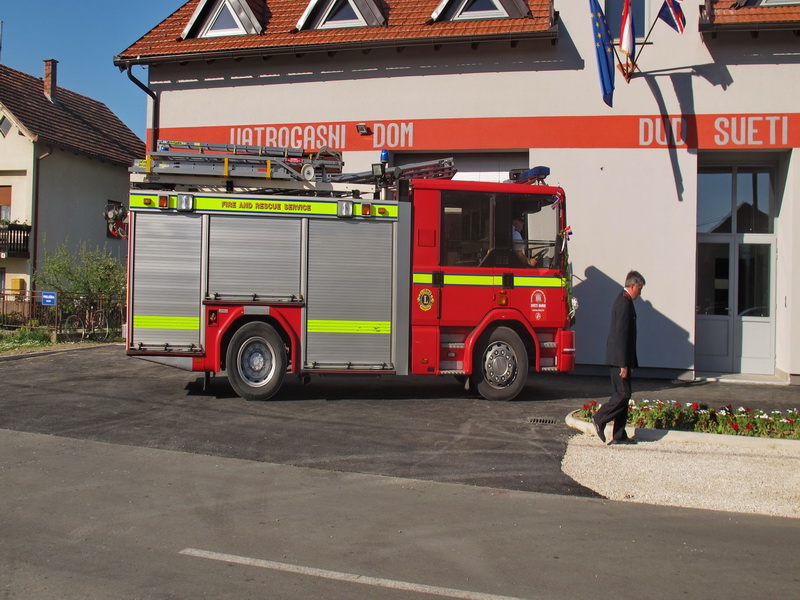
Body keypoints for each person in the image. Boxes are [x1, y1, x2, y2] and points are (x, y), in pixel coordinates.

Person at [592, 270, 645, 445]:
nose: (640, 293)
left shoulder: (625, 301)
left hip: (621, 359)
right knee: (623, 394)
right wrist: (623, 364)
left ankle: (619, 435)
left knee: (623, 395)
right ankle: (600, 418)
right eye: (639, 289)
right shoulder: (623, 303)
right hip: (618, 359)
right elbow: (621, 335)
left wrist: (629, 363)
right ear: (633, 286)